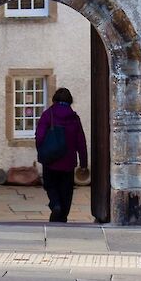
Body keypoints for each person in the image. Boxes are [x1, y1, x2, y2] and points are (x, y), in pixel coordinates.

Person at [34, 87, 88, 223]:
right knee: (66, 191)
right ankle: (62, 216)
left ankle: (55, 205)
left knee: (51, 186)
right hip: (68, 161)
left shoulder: (48, 114)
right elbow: (81, 141)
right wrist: (83, 163)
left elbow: (39, 136)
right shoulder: (74, 118)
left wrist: (42, 152)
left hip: (51, 160)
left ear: (54, 99)